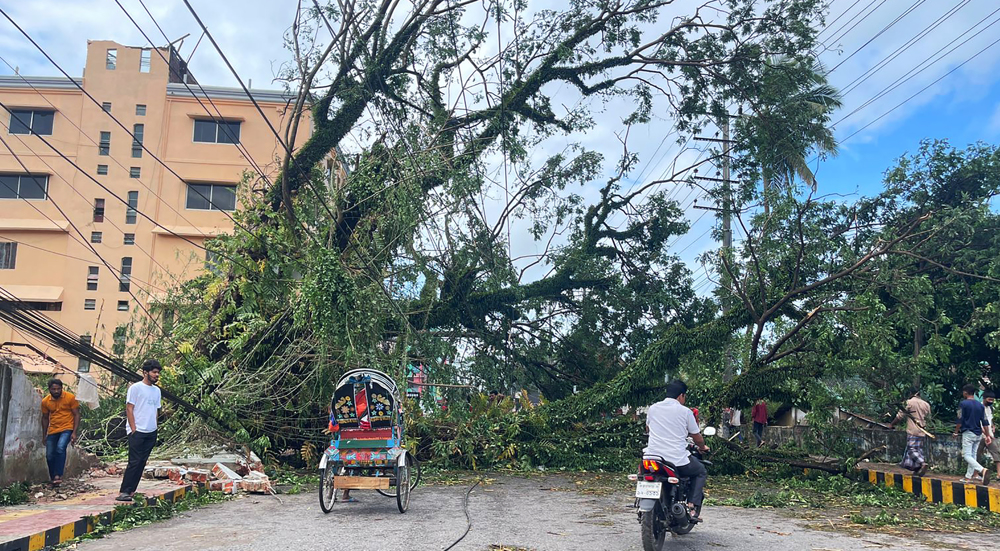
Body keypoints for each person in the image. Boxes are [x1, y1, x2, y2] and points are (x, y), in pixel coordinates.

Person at [643, 380, 709, 522]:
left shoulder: (653, 408)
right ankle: (692, 506)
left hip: (651, 457)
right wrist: (702, 447)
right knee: (700, 471)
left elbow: (648, 429)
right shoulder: (685, 412)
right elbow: (696, 436)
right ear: (681, 396)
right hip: (676, 459)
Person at [116, 360, 163, 501]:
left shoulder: (157, 391)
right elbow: (129, 408)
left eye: (158, 373)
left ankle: (131, 491)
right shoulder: (135, 388)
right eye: (154, 372)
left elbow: (156, 410)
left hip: (151, 431)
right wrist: (133, 428)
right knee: (134, 461)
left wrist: (155, 426)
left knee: (142, 462)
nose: (156, 375)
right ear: (145, 372)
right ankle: (124, 491)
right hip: (137, 431)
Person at [40, 378, 80, 486]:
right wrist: (44, 435)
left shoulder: (70, 397)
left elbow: (76, 414)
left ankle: (58, 474)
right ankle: (53, 478)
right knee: (49, 455)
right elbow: (45, 418)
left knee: (60, 448)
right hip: (53, 429)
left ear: (62, 388)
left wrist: (74, 432)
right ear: (49, 389)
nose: (56, 391)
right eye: (54, 389)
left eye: (58, 389)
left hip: (67, 428)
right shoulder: (45, 401)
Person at [954, 384, 991, 485]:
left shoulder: (963, 404)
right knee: (973, 455)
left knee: (967, 455)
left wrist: (956, 432)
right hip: (978, 433)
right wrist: (987, 435)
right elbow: (985, 422)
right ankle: (968, 477)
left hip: (968, 432)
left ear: (965, 392)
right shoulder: (980, 405)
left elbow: (959, 419)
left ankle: (982, 470)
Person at [890, 386, 931, 476]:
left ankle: (922, 463)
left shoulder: (909, 403)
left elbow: (900, 416)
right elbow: (929, 419)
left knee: (911, 449)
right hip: (923, 430)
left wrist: (892, 424)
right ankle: (917, 469)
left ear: (911, 394)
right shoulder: (926, 404)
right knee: (918, 450)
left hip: (913, 430)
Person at [981, 391, 1000, 482]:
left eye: (992, 400)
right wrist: (986, 434)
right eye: (989, 399)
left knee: (996, 453)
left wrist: (993, 426)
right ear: (984, 398)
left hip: (990, 435)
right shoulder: (979, 407)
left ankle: (999, 475)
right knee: (977, 454)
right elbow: (979, 423)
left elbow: (990, 420)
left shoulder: (990, 408)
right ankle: (976, 474)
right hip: (980, 435)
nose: (991, 401)